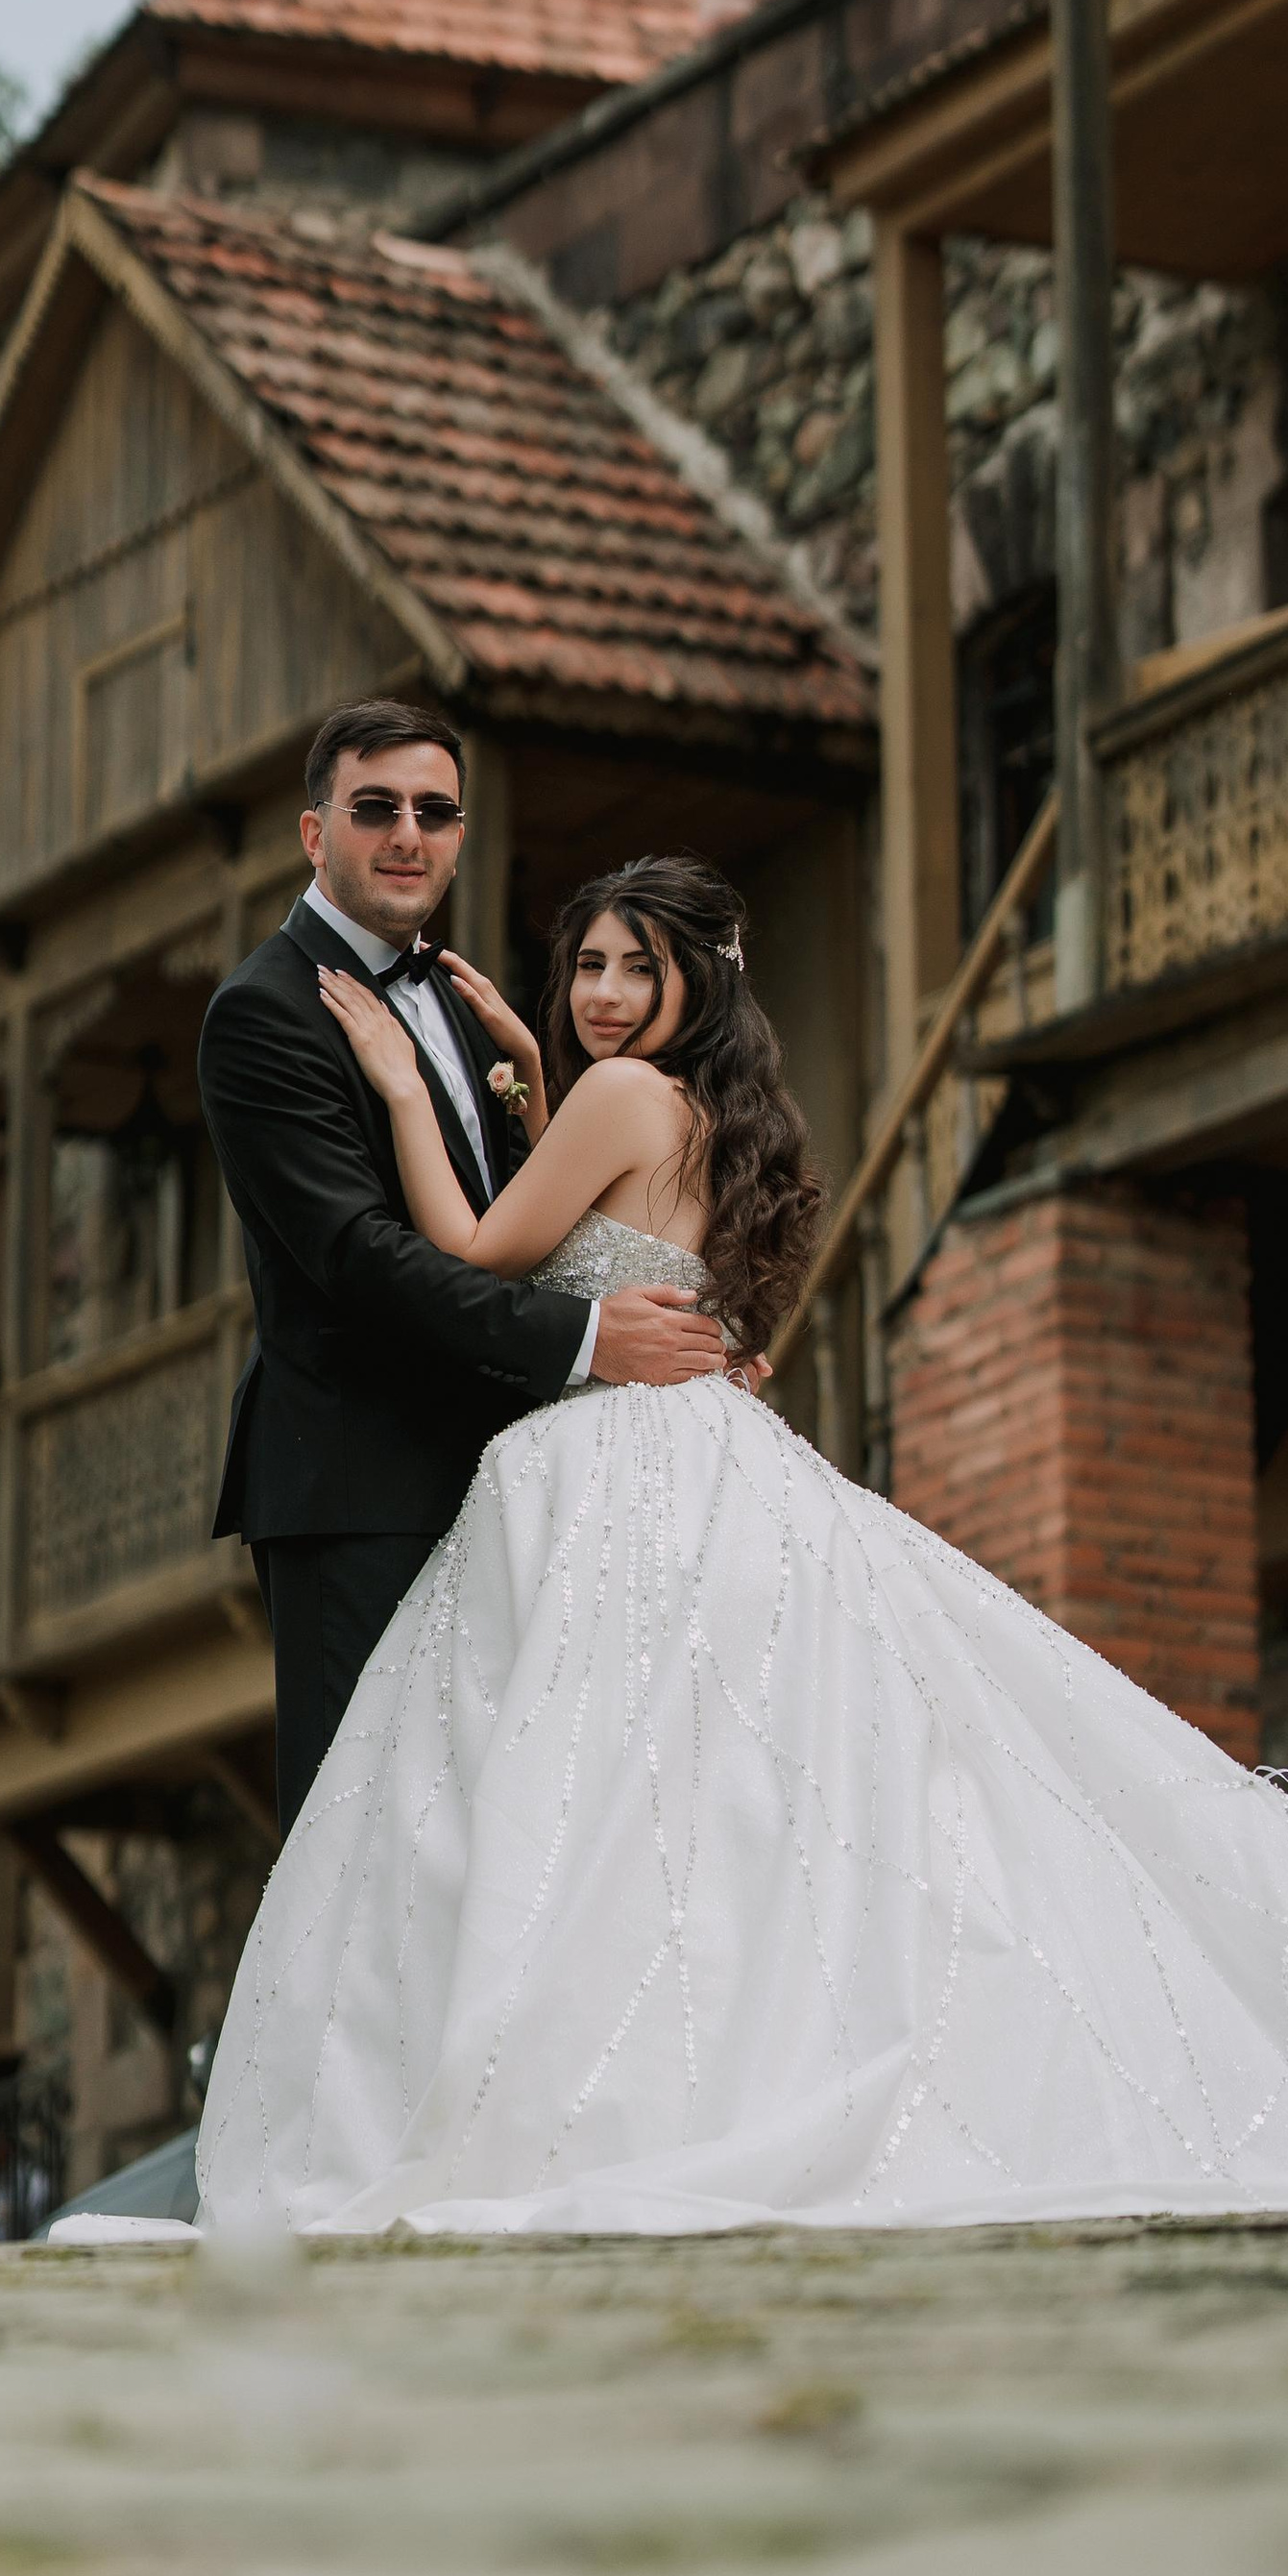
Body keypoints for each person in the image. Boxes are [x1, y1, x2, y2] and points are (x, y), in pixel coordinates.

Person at [194, 849, 1288, 2235]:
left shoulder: (612, 1098)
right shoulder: (720, 1115)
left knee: (608, 1799)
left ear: (692, 980)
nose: (600, 991)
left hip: (608, 1472)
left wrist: (409, 1092)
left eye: (632, 965)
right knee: (723, 1804)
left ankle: (596, 2088)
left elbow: (471, 1249)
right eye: (585, 964)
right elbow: (695, 1288)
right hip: (726, 1468)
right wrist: (536, 1070)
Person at [196, 700, 730, 1839]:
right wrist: (591, 1342)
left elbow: (537, 1221)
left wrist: (694, 1322)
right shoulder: (263, 1014)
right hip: (361, 1484)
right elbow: (358, 1259)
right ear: (313, 833)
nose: (407, 835)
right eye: (374, 808)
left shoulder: (465, 1005)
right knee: (364, 1844)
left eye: (434, 812)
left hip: (512, 1484)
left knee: (499, 1850)